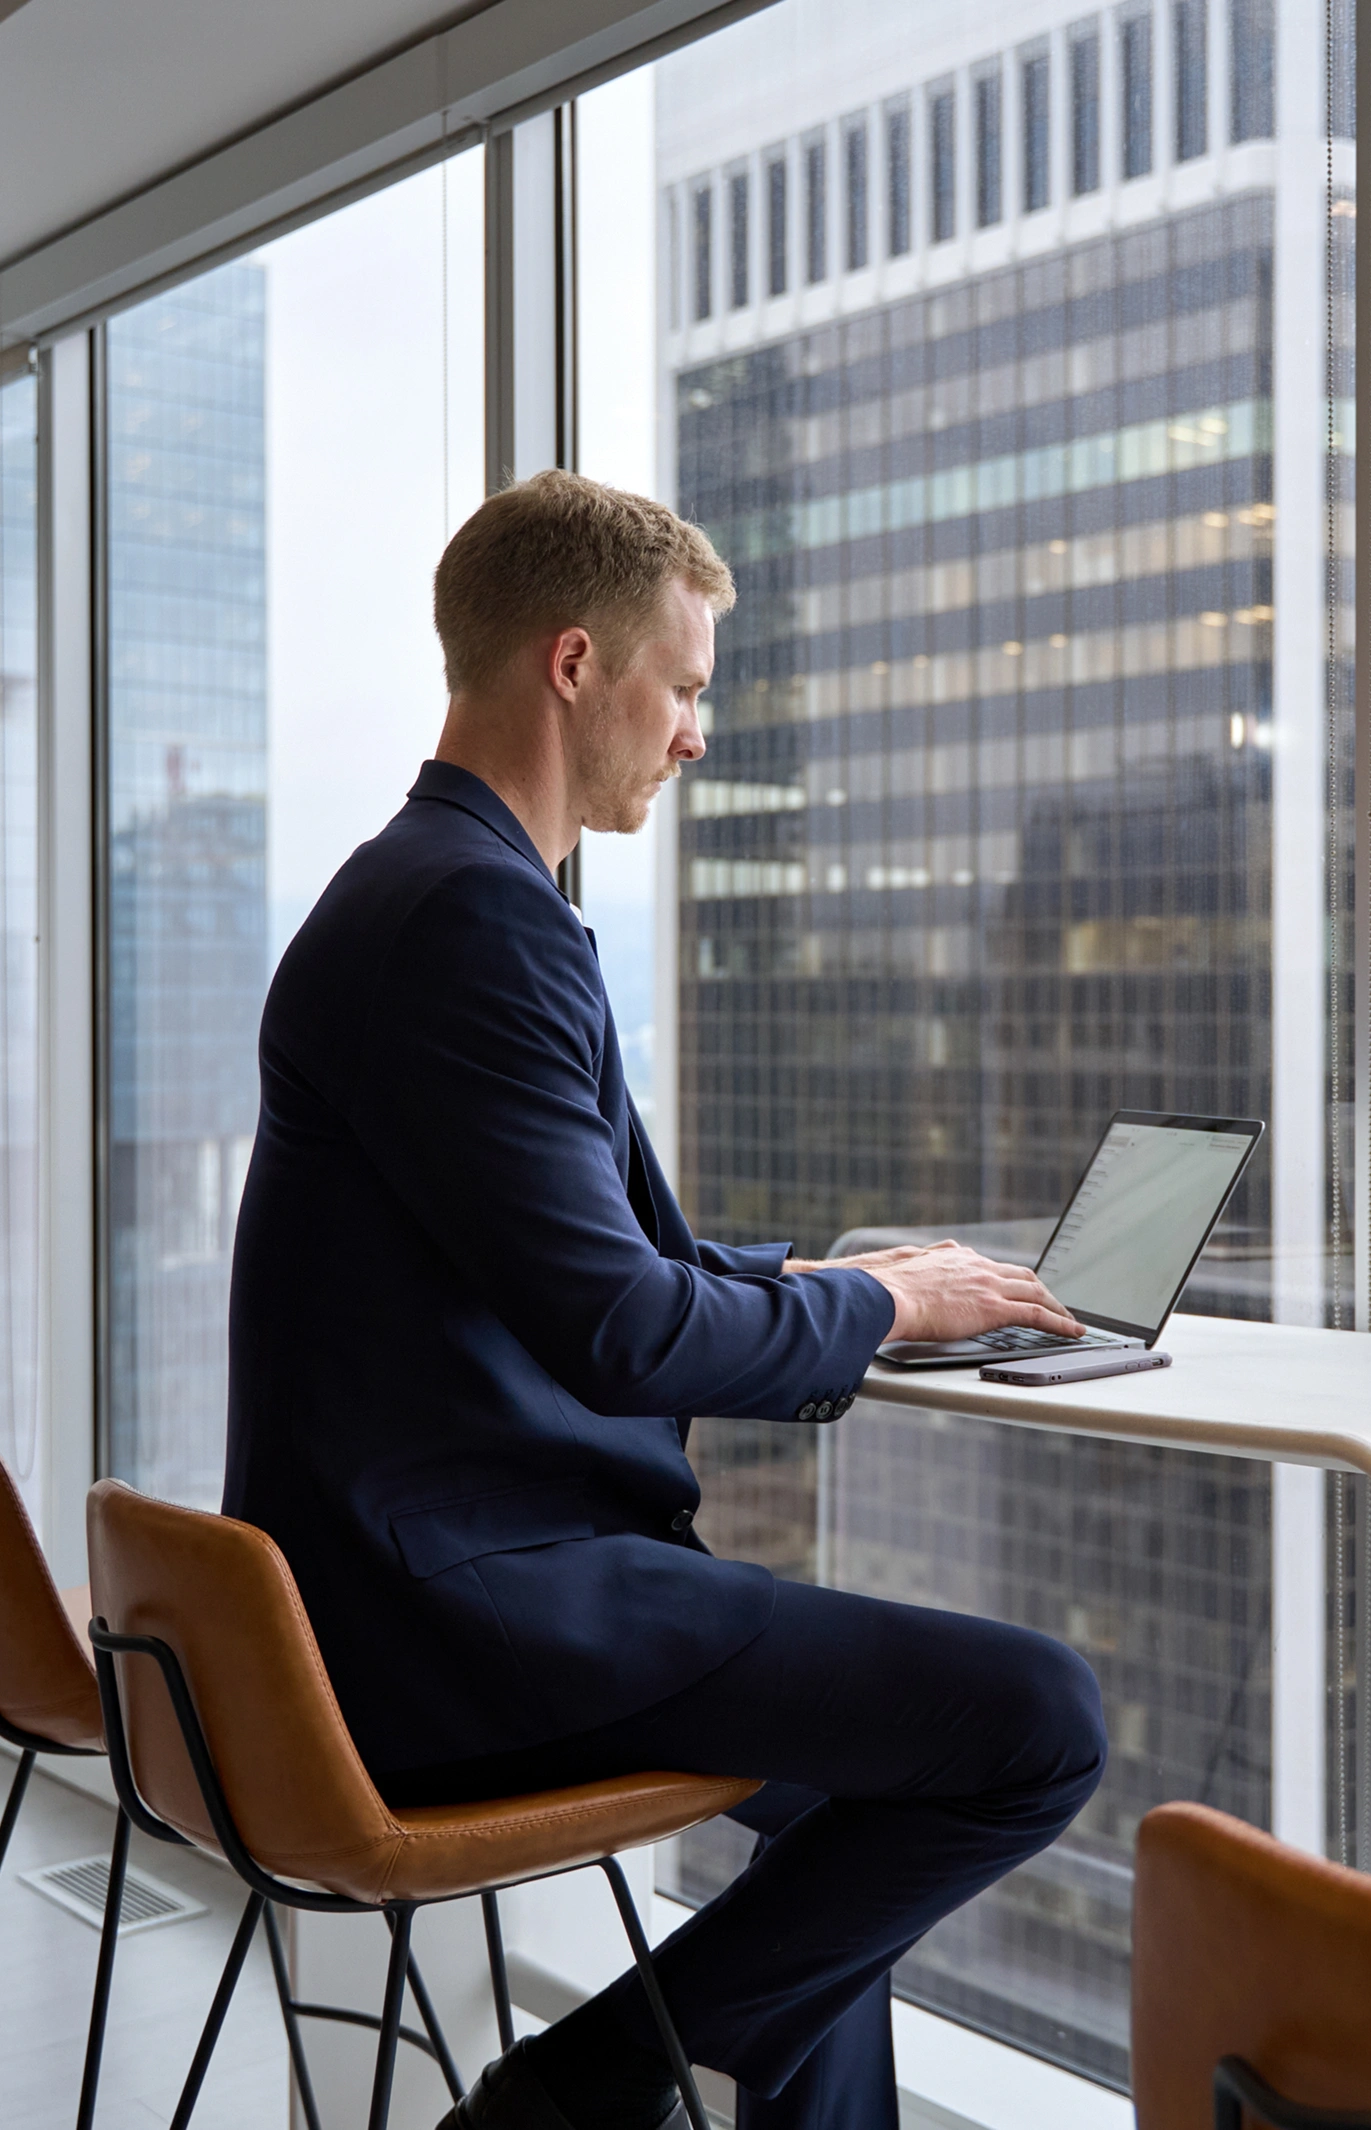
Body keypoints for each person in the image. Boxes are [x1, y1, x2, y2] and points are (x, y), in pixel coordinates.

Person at [224, 471, 1108, 2130]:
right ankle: (583, 2092)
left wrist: (832, 1279)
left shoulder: (429, 889)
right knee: (1039, 1718)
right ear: (576, 665)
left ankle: (645, 2080)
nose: (699, 732)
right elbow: (618, 1329)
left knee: (875, 1773)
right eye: (685, 687)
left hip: (396, 1600)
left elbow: (578, 1255)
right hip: (455, 1635)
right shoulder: (475, 921)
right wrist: (889, 1315)